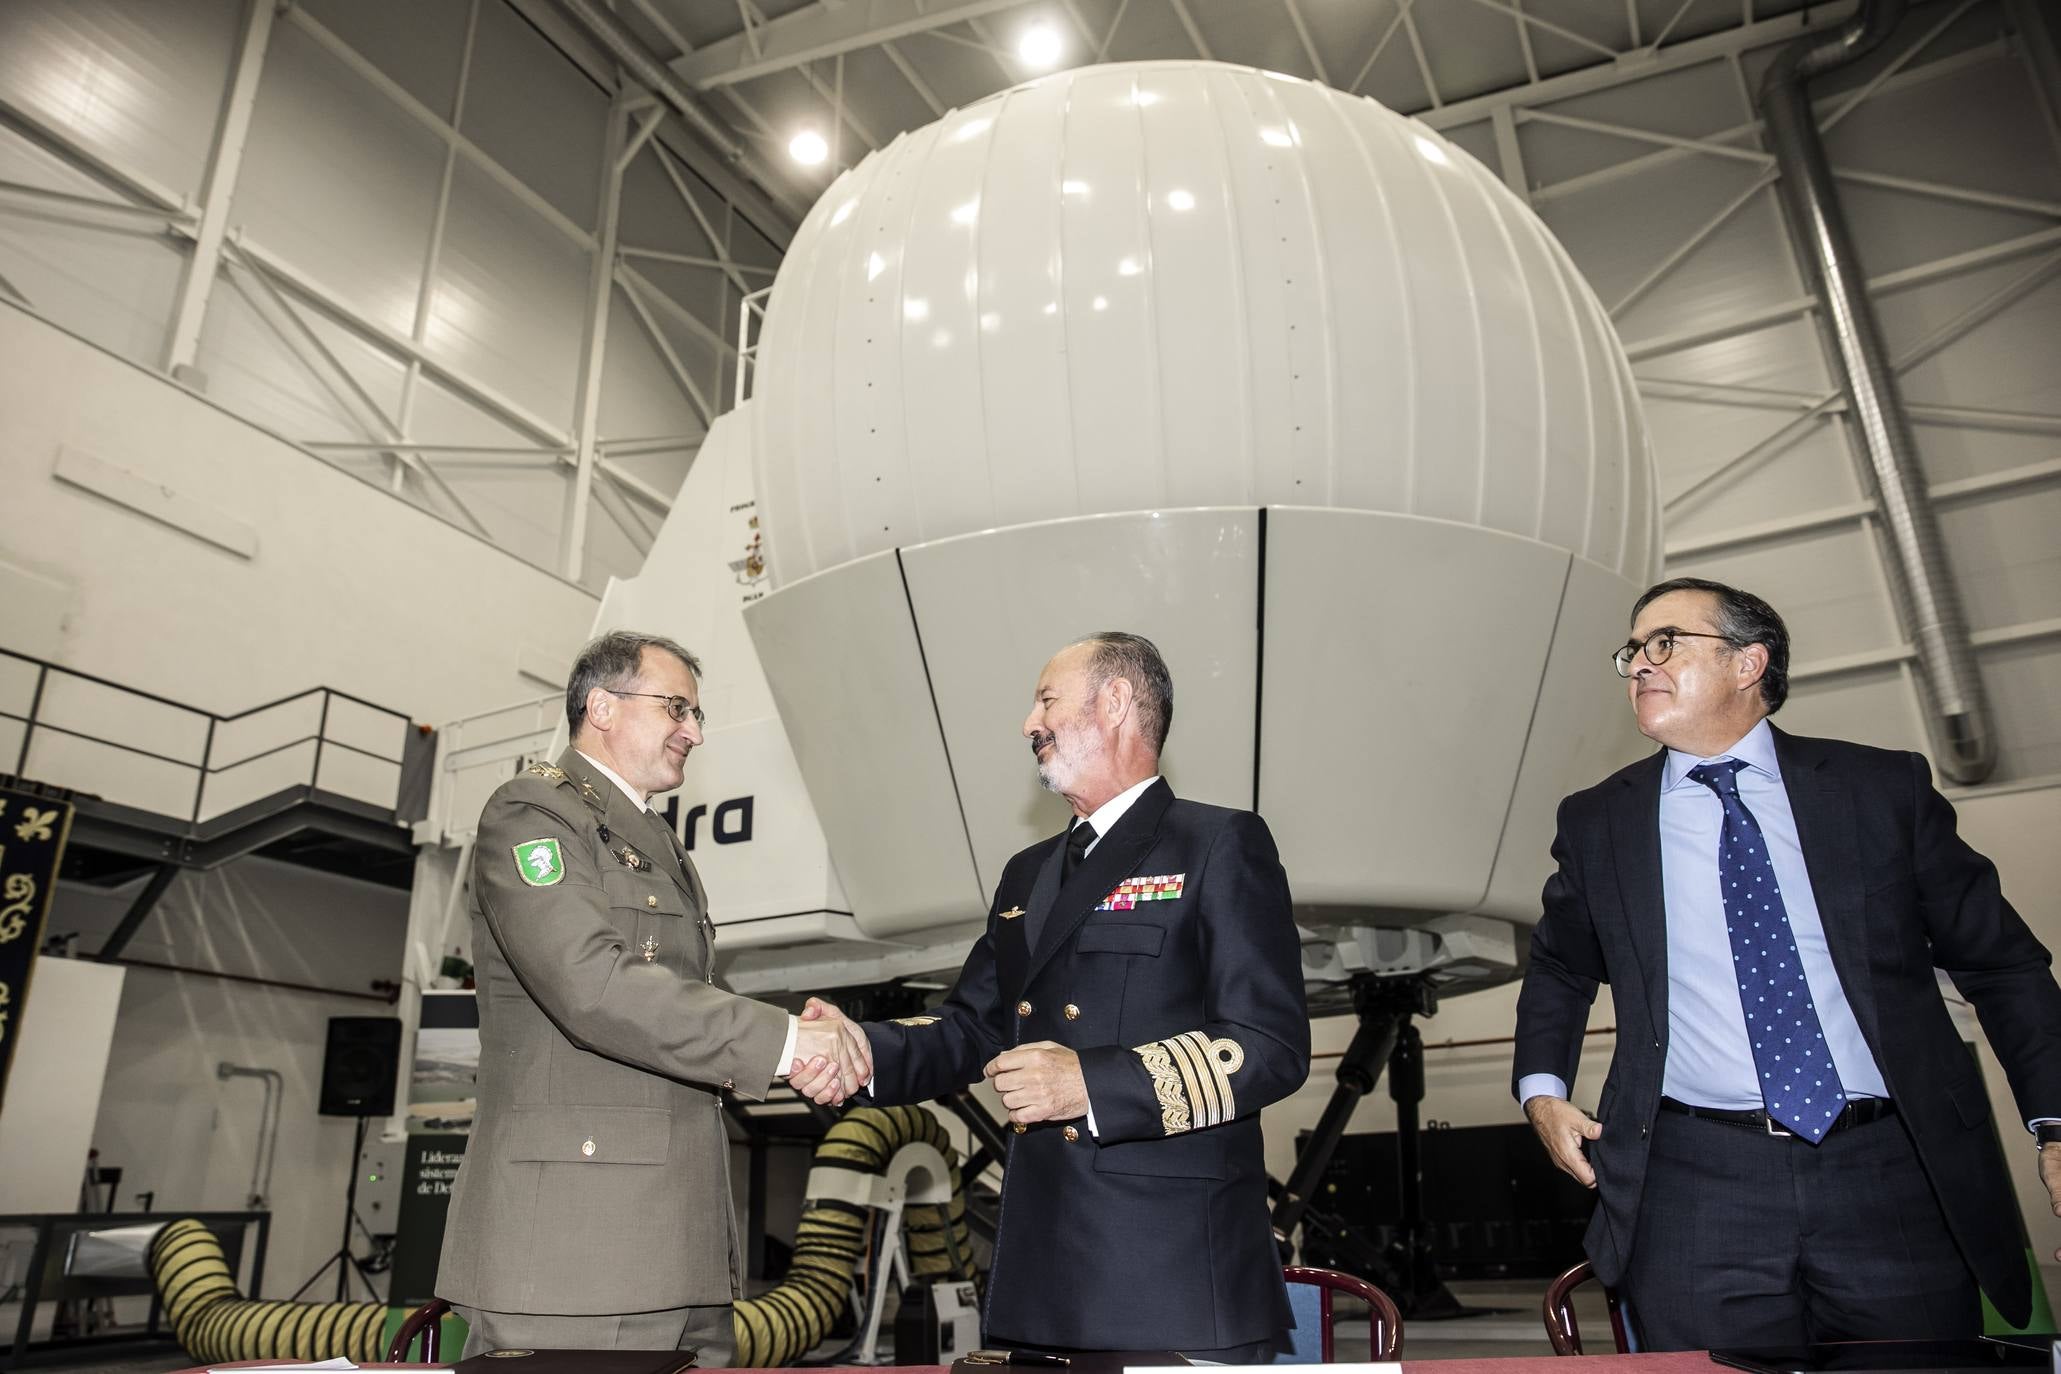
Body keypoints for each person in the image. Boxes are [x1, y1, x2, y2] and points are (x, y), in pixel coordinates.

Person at [1513, 577, 2061, 1350]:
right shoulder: (1599, 821)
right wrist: (1541, 1092)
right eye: (1632, 650)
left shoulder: (1880, 790)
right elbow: (1560, 967)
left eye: (1664, 641)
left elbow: (2002, 965)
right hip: (1692, 1182)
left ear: (1747, 664)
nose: (1638, 663)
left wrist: (2055, 1124)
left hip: (1891, 1172)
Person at [808, 632, 1310, 1360]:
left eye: (1045, 699)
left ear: (1114, 702)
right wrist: (847, 1050)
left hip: (1170, 1281)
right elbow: (968, 1029)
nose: (1027, 723)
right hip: (1041, 1279)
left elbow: (1270, 1046)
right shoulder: (1028, 873)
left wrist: (1089, 1083)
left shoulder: (1215, 843)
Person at [437, 630, 869, 1362]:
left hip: (681, 1240)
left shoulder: (654, 841)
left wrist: (799, 1026)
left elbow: (676, 986)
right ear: (601, 706)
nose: (694, 732)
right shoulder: (532, 812)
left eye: (695, 714)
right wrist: (788, 1042)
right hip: (578, 1253)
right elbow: (590, 985)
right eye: (677, 708)